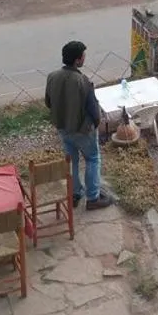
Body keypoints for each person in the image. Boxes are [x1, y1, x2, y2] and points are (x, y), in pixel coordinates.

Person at [44, 41, 113, 210]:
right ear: (77, 60)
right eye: (83, 56)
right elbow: (93, 110)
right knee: (92, 158)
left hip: (62, 128)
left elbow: (48, 102)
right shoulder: (83, 81)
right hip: (82, 130)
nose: (84, 58)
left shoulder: (52, 77)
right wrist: (95, 125)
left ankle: (75, 193)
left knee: (72, 161)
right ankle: (93, 198)